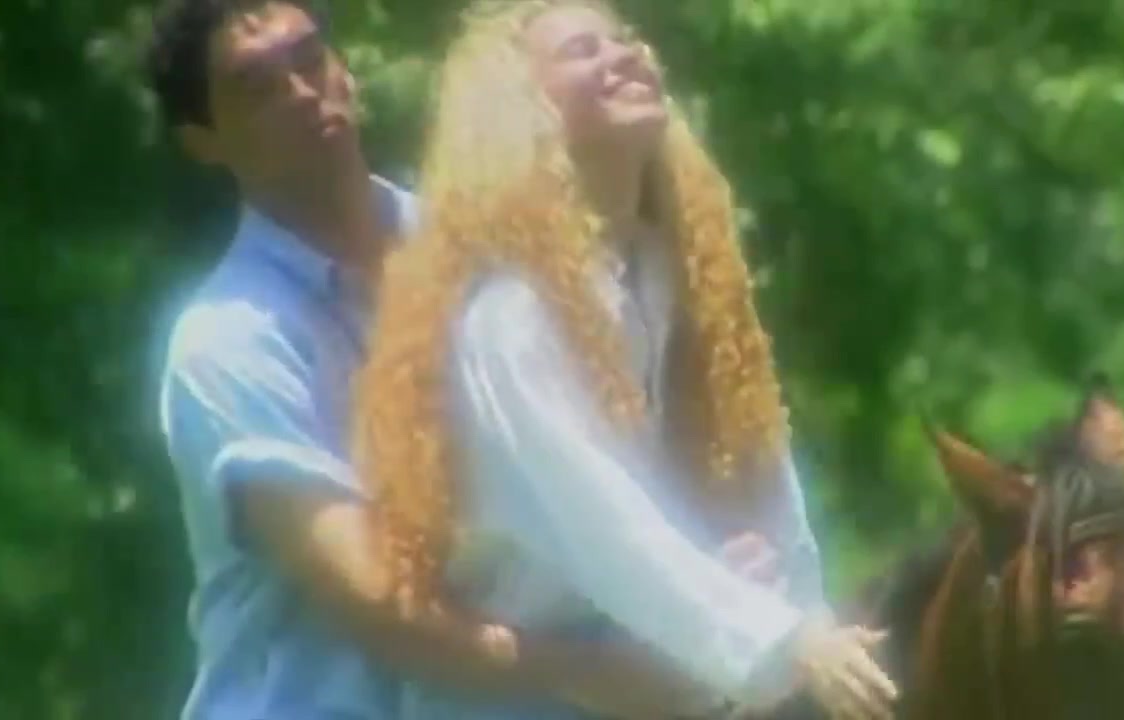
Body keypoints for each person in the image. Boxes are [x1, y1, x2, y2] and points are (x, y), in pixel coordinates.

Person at [149, 1, 716, 718]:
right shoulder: (227, 342)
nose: (299, 91)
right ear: (203, 141)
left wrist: (708, 569)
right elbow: (379, 600)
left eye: (309, 58)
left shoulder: (486, 251)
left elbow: (597, 462)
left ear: (343, 70)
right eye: (256, 87)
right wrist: (590, 672)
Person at [357, 1, 899, 719]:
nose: (625, 57)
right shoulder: (513, 315)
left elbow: (757, 459)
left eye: (627, 41)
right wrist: (781, 640)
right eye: (584, 51)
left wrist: (807, 610)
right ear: (525, 110)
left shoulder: (668, 271)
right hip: (520, 701)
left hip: (664, 676)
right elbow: (605, 523)